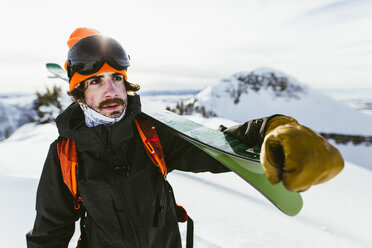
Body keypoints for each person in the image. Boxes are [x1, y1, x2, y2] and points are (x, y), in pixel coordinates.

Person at [26, 27, 344, 248]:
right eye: (95, 82)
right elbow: (49, 232)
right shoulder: (64, 154)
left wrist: (272, 130)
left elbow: (216, 145)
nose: (111, 92)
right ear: (79, 92)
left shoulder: (151, 134)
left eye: (116, 79)